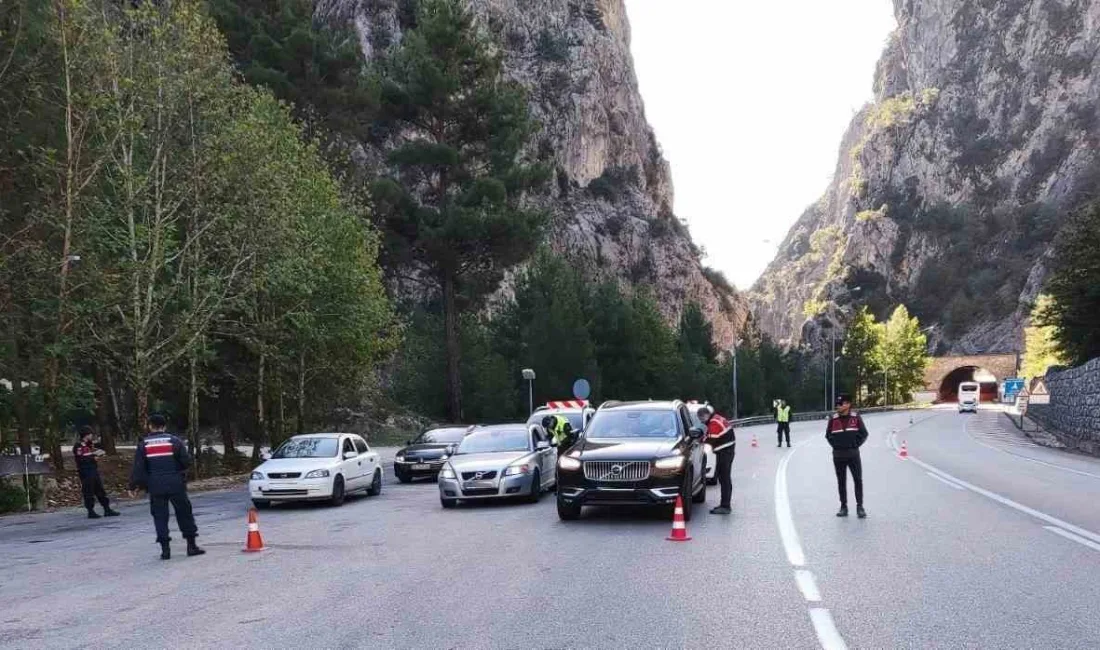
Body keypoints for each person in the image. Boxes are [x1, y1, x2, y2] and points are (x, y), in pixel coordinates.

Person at [129, 413, 204, 559]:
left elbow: (139, 468)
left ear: (150, 426)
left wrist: (134, 486)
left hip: (155, 486)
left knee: (160, 517)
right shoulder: (175, 441)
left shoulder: (144, 444)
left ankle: (165, 550)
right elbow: (186, 462)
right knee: (184, 513)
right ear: (164, 426)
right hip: (176, 484)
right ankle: (191, 546)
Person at [825, 394, 868, 519]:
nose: (838, 406)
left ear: (848, 405)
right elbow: (828, 435)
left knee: (858, 480)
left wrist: (854, 445)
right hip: (838, 455)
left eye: (841, 403)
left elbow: (864, 433)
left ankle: (860, 507)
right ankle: (843, 507)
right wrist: (836, 446)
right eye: (837, 404)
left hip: (853, 454)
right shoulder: (833, 419)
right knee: (841, 481)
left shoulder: (856, 417)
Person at [72, 426, 120, 519]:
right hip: (85, 471)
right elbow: (81, 459)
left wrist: (97, 454)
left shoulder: (89, 445)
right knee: (88, 491)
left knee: (100, 489)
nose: (91, 436)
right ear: (86, 435)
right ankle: (91, 511)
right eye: (90, 434)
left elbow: (90, 454)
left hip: (93, 469)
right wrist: (93, 458)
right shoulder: (78, 446)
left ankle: (107, 509)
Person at [698, 405, 735, 515]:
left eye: (701, 419)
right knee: (723, 478)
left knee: (724, 479)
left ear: (705, 415)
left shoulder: (714, 422)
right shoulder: (717, 418)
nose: (702, 422)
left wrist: (701, 440)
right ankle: (724, 504)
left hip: (725, 452)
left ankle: (725, 506)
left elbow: (711, 439)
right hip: (726, 451)